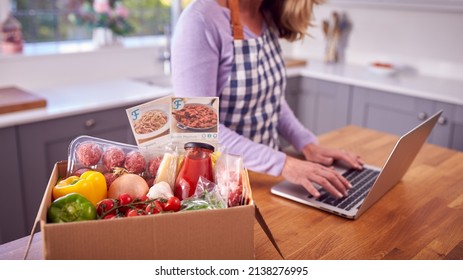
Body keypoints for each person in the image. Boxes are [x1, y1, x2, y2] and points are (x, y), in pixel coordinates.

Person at [171, 0, 364, 199]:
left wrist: (306, 144)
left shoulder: (266, 14)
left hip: (268, 178)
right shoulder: (199, 21)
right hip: (220, 190)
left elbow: (270, 101)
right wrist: (283, 164)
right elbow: (197, 129)